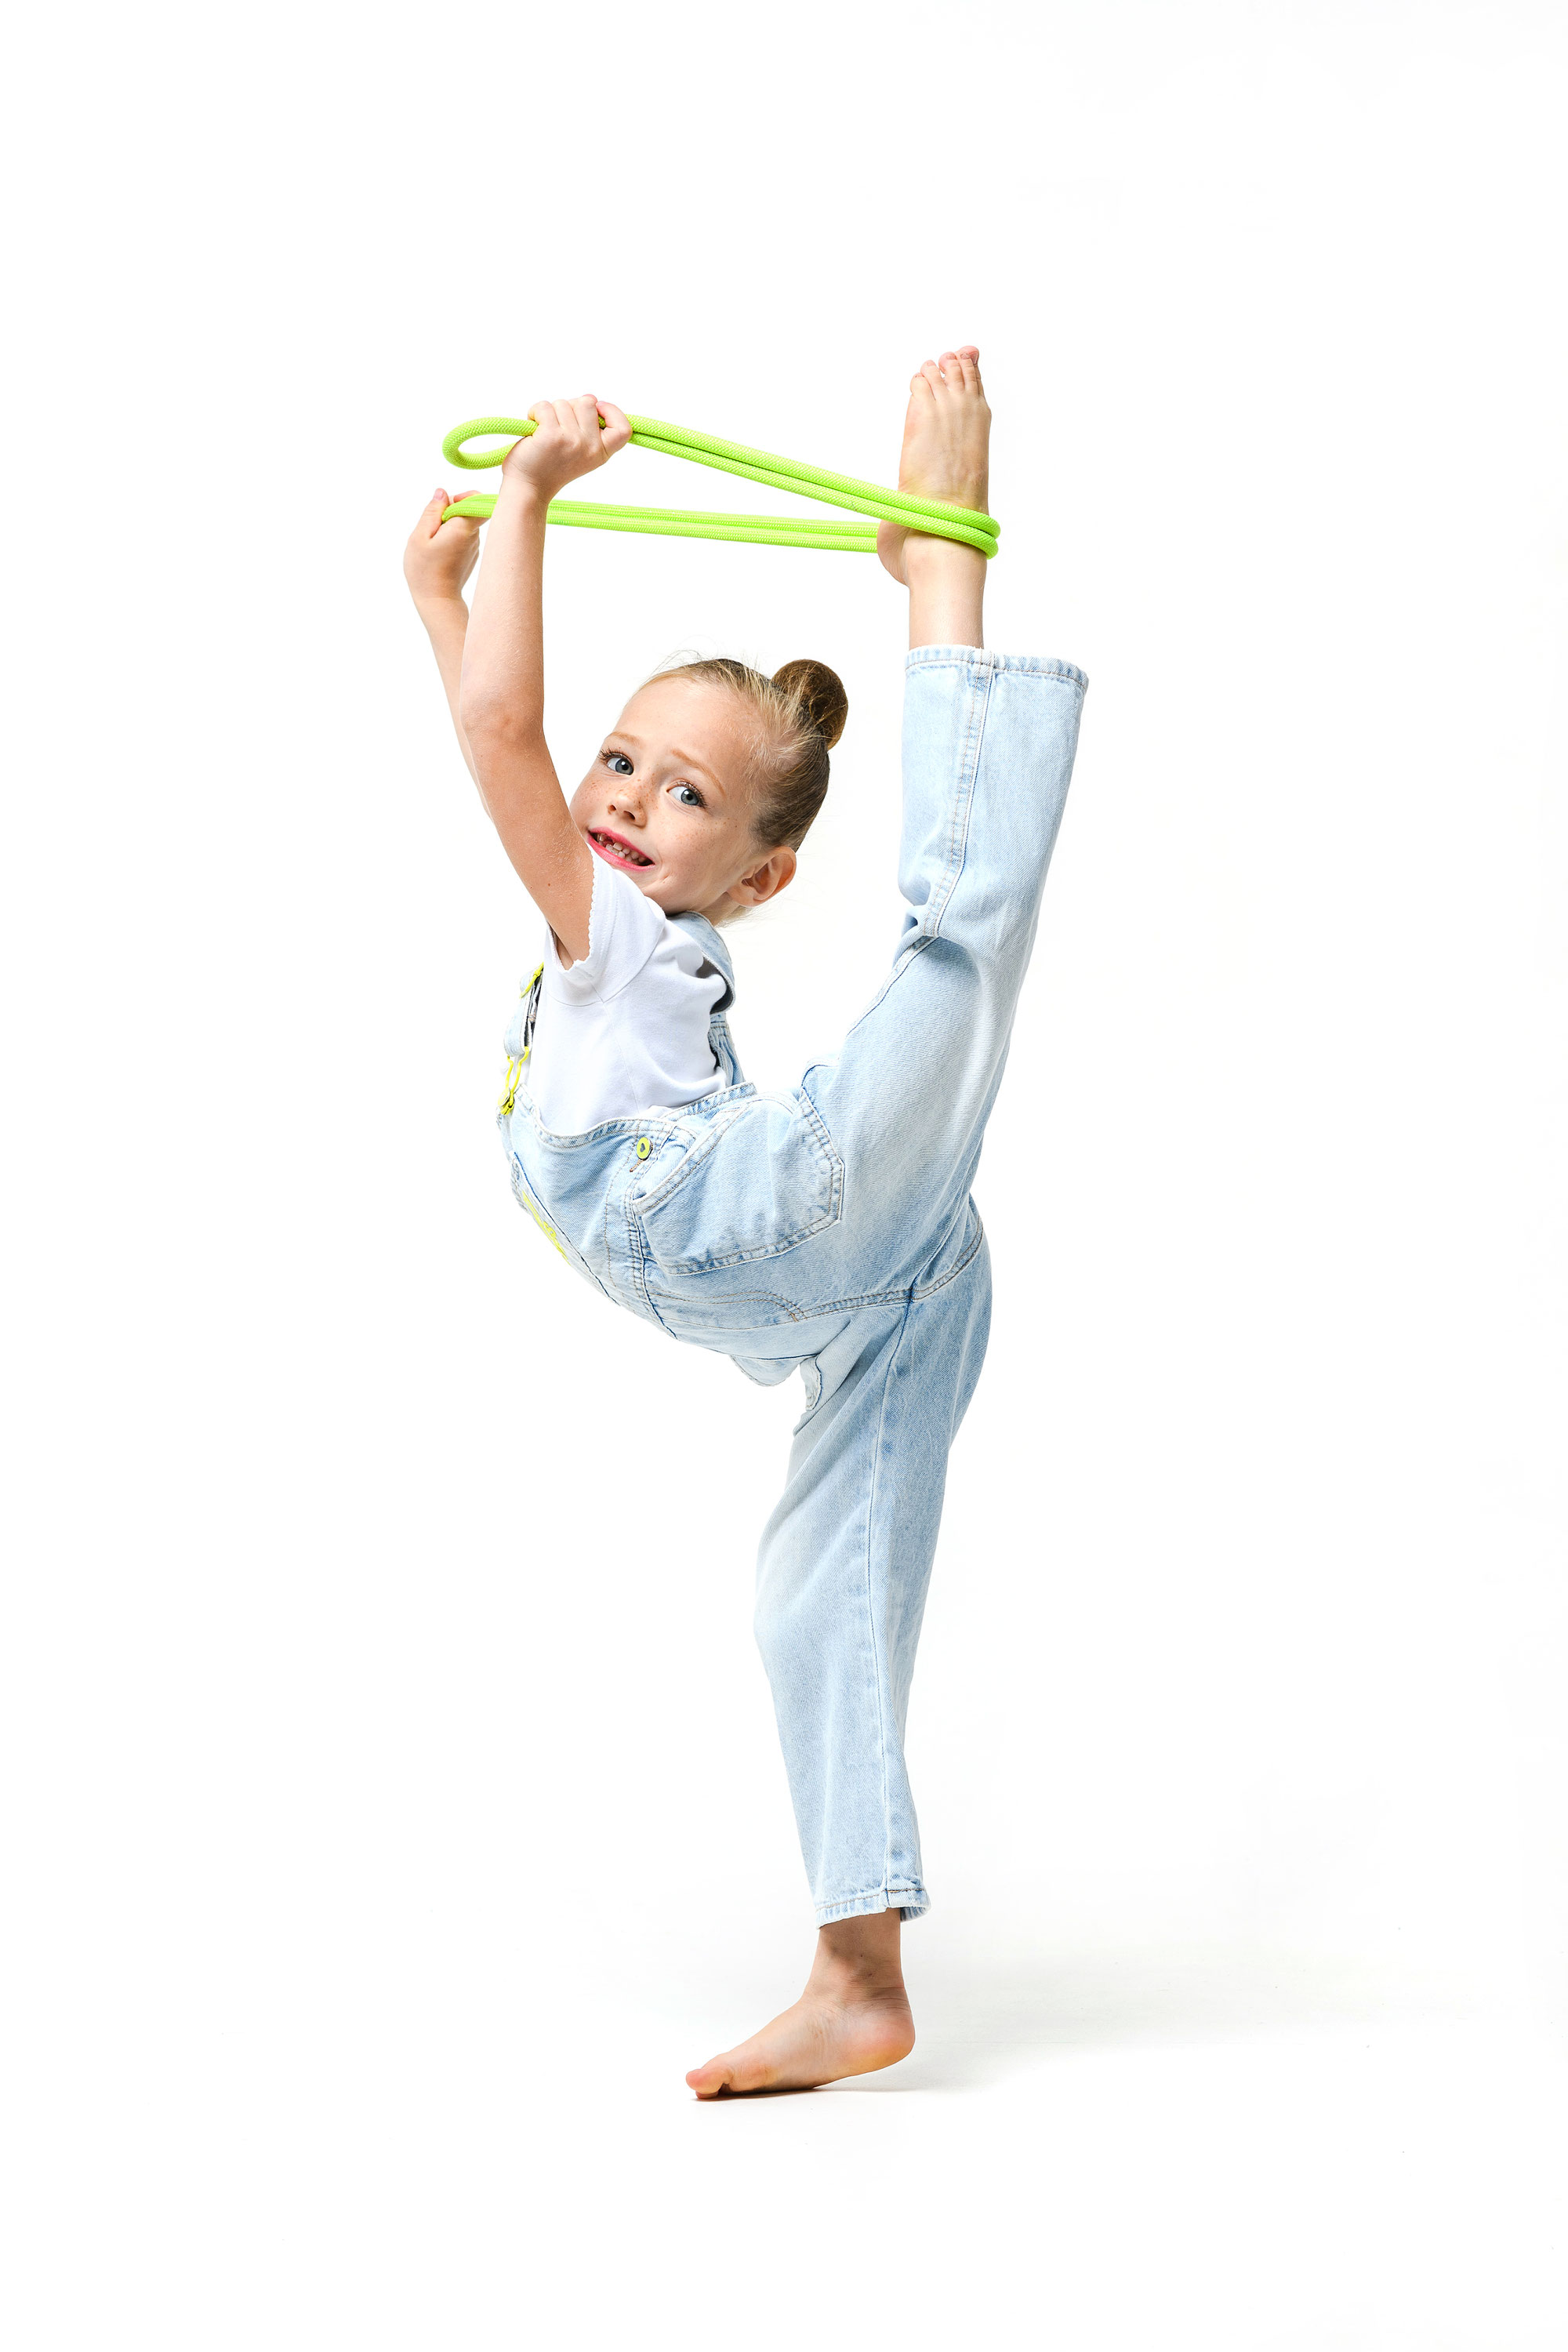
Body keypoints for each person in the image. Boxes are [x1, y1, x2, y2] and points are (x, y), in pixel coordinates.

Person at [402, 350, 1087, 2096]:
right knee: (813, 1601)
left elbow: (501, 737)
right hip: (866, 1293)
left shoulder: (615, 936)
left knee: (961, 944)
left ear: (759, 878)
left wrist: (531, 507)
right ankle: (860, 1977)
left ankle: (943, 572)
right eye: (621, 763)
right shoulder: (610, 922)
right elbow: (509, 747)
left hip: (784, 1209)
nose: (626, 801)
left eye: (685, 795)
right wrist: (443, 597)